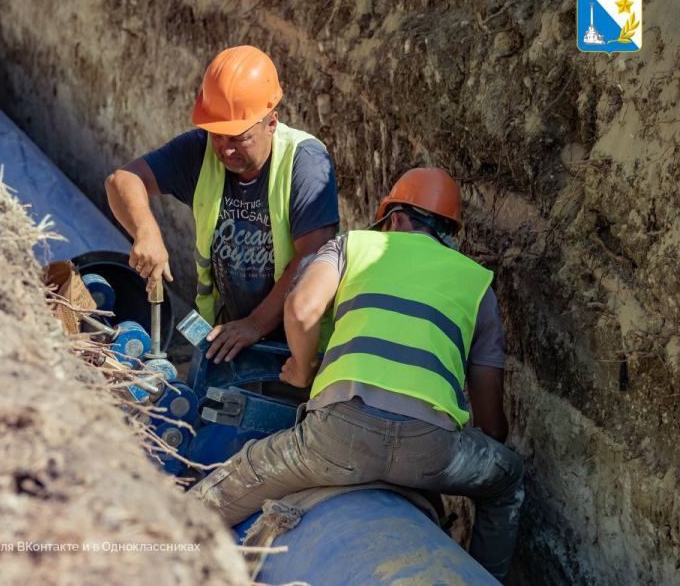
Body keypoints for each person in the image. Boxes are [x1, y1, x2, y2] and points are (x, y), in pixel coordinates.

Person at [190, 168, 524, 583]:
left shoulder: (354, 245)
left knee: (228, 488)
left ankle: (146, 551)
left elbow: (301, 308)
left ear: (395, 218)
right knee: (507, 482)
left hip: (337, 439)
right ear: (449, 232)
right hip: (433, 452)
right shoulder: (477, 285)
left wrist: (300, 370)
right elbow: (491, 424)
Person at [105, 45, 339, 363]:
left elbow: (314, 254)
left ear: (271, 122)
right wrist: (145, 231)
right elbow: (122, 180)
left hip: (296, 347)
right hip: (226, 335)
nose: (225, 150)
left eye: (238, 137)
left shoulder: (304, 162)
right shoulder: (199, 152)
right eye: (217, 135)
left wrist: (255, 325)